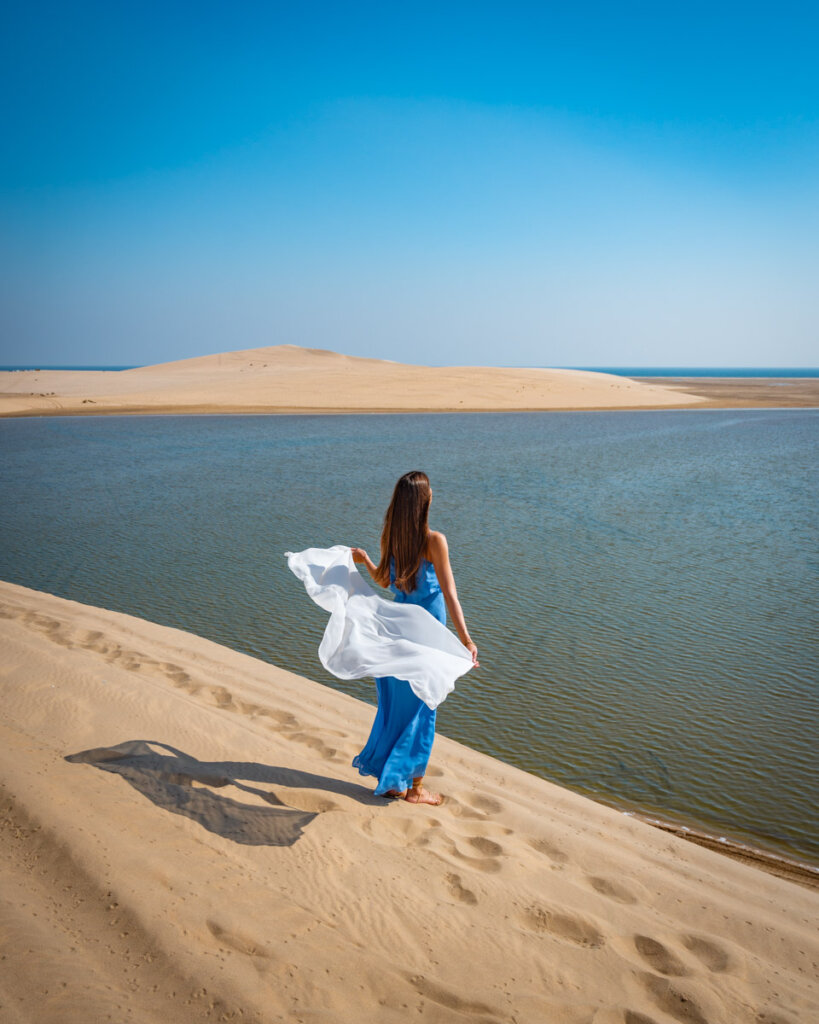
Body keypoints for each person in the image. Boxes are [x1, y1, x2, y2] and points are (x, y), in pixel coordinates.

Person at [350, 470, 478, 806]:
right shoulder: (435, 541)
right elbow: (450, 594)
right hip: (426, 641)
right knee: (424, 709)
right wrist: (466, 639)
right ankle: (415, 789)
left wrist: (365, 561)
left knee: (397, 709)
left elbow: (384, 580)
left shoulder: (395, 538)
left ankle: (394, 781)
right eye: (430, 489)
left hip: (397, 639)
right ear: (425, 501)